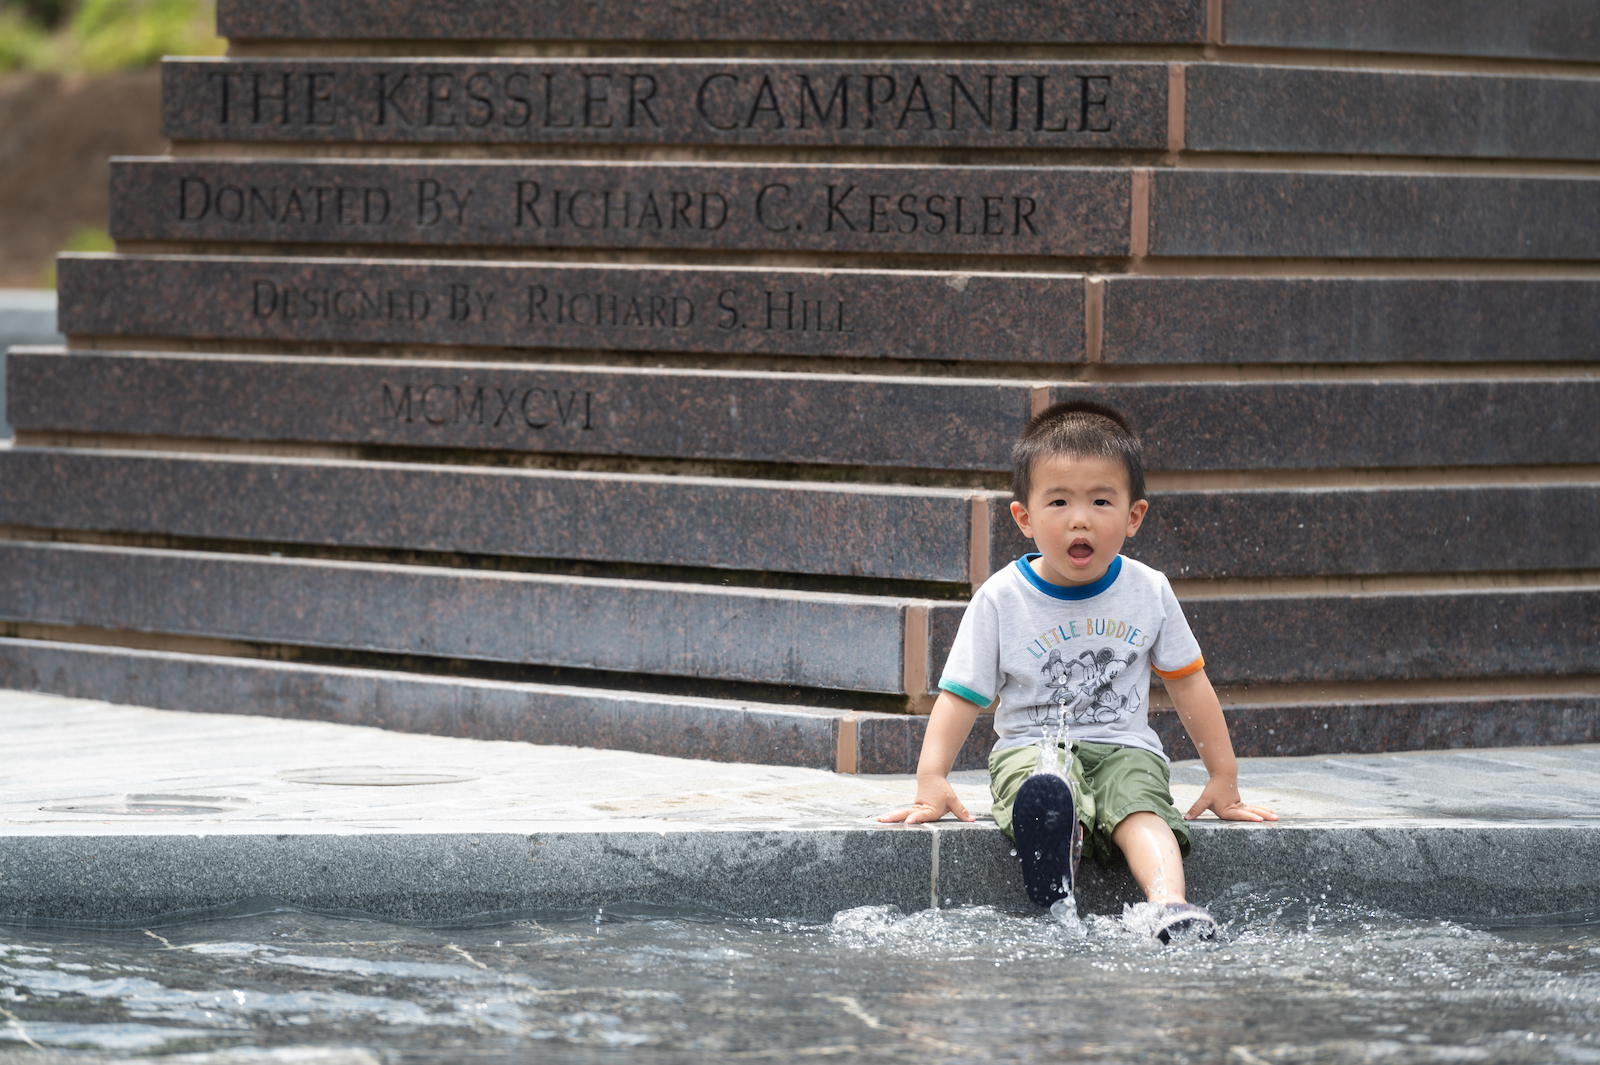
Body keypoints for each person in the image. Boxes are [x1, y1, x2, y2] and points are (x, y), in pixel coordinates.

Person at [880, 400, 1276, 943]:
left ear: (1133, 516)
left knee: (1141, 810)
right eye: (1059, 501)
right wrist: (932, 779)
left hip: (1125, 747)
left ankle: (1171, 908)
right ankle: (1054, 854)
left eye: (1101, 500)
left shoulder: (1149, 590)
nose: (1080, 517)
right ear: (1024, 518)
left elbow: (1188, 683)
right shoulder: (1002, 598)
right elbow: (960, 696)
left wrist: (1223, 776)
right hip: (1031, 746)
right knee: (1046, 786)